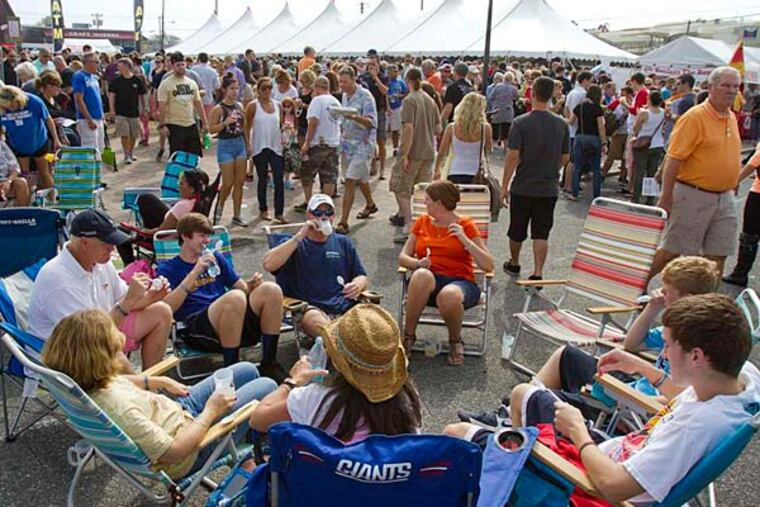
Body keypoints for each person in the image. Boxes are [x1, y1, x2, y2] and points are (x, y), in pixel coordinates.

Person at [446, 293, 760, 506]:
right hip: (610, 454)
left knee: (456, 437)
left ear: (696, 356)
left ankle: (522, 478)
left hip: (588, 485)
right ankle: (517, 472)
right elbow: (689, 396)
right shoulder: (739, 380)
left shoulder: (693, 429)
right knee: (522, 393)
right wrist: (642, 368)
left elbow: (613, 486)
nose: (663, 355)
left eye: (667, 347)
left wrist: (578, 433)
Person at [458, 256, 720, 428]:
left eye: (667, 292)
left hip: (629, 406)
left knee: (533, 395)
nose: (661, 294)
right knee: (566, 355)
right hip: (629, 387)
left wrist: (639, 372)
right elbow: (632, 344)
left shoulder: (697, 347)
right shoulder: (678, 326)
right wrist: (653, 308)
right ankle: (507, 413)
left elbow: (679, 398)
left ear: (688, 297)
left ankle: (513, 417)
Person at [42, 309, 277, 480]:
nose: (122, 353)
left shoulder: (81, 383)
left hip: (174, 411)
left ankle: (242, 448)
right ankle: (246, 455)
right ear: (100, 359)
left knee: (245, 370)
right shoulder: (120, 408)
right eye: (116, 352)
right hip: (190, 447)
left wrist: (153, 380)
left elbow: (117, 381)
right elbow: (174, 453)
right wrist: (211, 411)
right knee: (267, 386)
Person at [250, 304, 422, 444]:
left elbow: (258, 419)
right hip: (390, 485)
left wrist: (292, 381)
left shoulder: (317, 399)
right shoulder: (408, 401)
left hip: (327, 485)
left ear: (338, 360)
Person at [28, 209, 172, 370]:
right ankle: (143, 390)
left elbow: (122, 300)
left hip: (99, 332)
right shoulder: (59, 280)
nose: (112, 248)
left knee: (161, 311)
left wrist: (150, 297)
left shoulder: (99, 262)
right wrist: (126, 304)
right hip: (67, 352)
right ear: (84, 242)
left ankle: (148, 386)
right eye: (106, 243)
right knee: (114, 351)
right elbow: (89, 338)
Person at [157, 213, 286, 379]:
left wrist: (252, 285)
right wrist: (195, 272)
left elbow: (242, 289)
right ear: (185, 236)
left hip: (231, 318)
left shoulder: (216, 258)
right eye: (201, 236)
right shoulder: (169, 268)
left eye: (208, 236)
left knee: (271, 289)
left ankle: (269, 363)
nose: (207, 241)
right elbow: (166, 307)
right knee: (234, 298)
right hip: (197, 328)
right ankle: (232, 371)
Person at [649, 67, 742, 282]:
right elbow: (674, 158)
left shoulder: (731, 117)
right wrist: (666, 196)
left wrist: (731, 180)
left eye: (735, 87)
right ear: (710, 87)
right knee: (673, 250)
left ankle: (703, 306)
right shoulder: (695, 117)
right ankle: (635, 287)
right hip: (693, 193)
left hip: (724, 196)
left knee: (718, 254)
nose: (731, 91)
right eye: (725, 85)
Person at [399, 181, 494, 366]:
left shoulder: (465, 225)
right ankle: (408, 336)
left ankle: (455, 340)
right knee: (420, 275)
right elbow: (403, 257)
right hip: (427, 285)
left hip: (461, 284)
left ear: (439, 203)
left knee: (449, 295)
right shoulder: (422, 222)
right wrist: (417, 263)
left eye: (427, 200)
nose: (424, 203)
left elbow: (488, 265)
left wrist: (465, 239)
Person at [263, 194, 369, 339]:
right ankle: (341, 348)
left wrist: (357, 285)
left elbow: (361, 275)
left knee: (378, 326)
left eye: (328, 213)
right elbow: (268, 264)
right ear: (309, 215)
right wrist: (301, 235)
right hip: (310, 309)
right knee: (326, 330)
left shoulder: (343, 242)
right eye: (318, 213)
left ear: (334, 216)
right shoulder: (293, 243)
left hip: (345, 305)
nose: (324, 217)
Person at [501, 76, 570, 282]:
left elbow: (513, 155)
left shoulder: (521, 123)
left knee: (517, 228)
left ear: (532, 94)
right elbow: (565, 157)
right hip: (548, 186)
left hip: (523, 184)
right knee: (542, 231)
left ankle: (514, 262)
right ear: (552, 95)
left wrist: (504, 185)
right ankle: (538, 271)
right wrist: (552, 168)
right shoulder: (561, 124)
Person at [390, 68, 442, 243]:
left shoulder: (410, 100)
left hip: (413, 152)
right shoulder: (429, 100)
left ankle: (409, 224)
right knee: (420, 191)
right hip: (428, 151)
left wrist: (404, 153)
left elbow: (408, 128)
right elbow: (438, 129)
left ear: (408, 80)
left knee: (400, 188)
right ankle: (420, 225)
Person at [117, 169, 210, 265]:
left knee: (121, 231)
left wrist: (141, 231)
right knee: (146, 199)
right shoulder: (200, 203)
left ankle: (130, 266)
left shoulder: (183, 206)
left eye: (181, 184)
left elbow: (161, 233)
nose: (178, 186)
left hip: (163, 240)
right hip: (178, 236)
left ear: (192, 189)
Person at [335, 65, 379, 235]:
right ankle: (370, 204)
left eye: (345, 82)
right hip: (347, 143)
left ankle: (344, 221)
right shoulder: (345, 95)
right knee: (361, 177)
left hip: (363, 143)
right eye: (340, 82)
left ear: (354, 80)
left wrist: (353, 116)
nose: (342, 85)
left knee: (350, 179)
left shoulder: (365, 97)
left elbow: (371, 122)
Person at [0, 85, 60, 191]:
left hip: (39, 141)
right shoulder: (3, 108)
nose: (11, 109)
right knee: (24, 174)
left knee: (44, 172)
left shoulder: (33, 101)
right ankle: (27, 200)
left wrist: (56, 139)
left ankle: (53, 199)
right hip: (18, 144)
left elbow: (48, 119)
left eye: (12, 106)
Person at [245, 77, 286, 224]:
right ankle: (263, 209)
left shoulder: (278, 106)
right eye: (264, 88)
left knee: (279, 180)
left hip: (276, 146)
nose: (267, 91)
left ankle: (279, 212)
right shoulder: (252, 106)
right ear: (258, 90)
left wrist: (286, 132)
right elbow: (247, 126)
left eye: (270, 87)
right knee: (262, 179)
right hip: (259, 146)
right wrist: (248, 144)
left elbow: (281, 125)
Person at [209, 74, 248, 227]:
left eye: (237, 88)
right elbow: (211, 130)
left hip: (239, 144)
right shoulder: (218, 109)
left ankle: (237, 215)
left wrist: (248, 145)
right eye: (232, 88)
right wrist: (224, 123)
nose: (235, 91)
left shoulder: (239, 106)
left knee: (239, 182)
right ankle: (219, 208)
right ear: (224, 90)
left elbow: (244, 127)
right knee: (228, 183)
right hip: (225, 145)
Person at [434, 92, 492, 185]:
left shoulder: (451, 128)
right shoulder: (486, 128)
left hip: (455, 171)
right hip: (476, 173)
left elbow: (441, 152)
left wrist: (437, 169)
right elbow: (489, 149)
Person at [300, 76, 341, 206]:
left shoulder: (317, 101)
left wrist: (307, 143)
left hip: (318, 142)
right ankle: (325, 202)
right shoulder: (335, 101)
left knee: (307, 173)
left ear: (317, 88)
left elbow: (313, 122)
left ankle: (308, 201)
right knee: (329, 175)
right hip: (333, 142)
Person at [723, 142, 760, 286]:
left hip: (758, 195)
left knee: (750, 235)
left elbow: (753, 163)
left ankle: (740, 273)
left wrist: (734, 181)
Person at [158, 52, 208, 157]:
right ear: (172, 66)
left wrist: (205, 123)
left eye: (182, 64)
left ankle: (191, 174)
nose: (181, 67)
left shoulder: (192, 83)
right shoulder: (166, 84)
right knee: (178, 158)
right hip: (175, 125)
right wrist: (162, 125)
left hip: (191, 123)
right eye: (178, 65)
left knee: (194, 156)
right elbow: (162, 106)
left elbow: (198, 104)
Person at [570, 84, 607, 201]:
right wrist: (604, 142)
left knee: (577, 166)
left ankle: (574, 193)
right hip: (594, 138)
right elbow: (601, 127)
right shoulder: (598, 109)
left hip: (580, 136)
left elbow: (571, 122)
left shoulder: (579, 107)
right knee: (596, 168)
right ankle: (596, 195)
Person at [108, 58, 148, 165]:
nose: (118, 68)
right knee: (124, 134)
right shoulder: (116, 81)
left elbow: (143, 95)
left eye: (120, 65)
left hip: (134, 112)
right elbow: (111, 95)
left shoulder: (137, 80)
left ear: (126, 66)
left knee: (133, 134)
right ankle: (126, 155)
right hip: (120, 112)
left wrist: (145, 108)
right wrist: (111, 109)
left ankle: (131, 152)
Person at [631, 91, 666, 205]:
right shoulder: (664, 113)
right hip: (658, 144)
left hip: (643, 144)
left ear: (649, 99)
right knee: (652, 172)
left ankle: (636, 198)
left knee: (639, 172)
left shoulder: (644, 113)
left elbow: (635, 128)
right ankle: (650, 199)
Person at [561, 70, 592, 195]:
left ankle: (567, 183)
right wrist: (574, 121)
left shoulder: (572, 92)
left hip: (570, 129)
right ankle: (569, 185)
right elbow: (578, 112)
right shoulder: (583, 94)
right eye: (589, 81)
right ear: (584, 80)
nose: (590, 83)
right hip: (578, 129)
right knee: (574, 160)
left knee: (570, 159)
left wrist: (569, 120)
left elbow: (566, 109)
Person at [359, 58, 389, 179]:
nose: (371, 67)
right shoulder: (363, 77)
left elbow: (384, 91)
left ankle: (382, 168)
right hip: (368, 112)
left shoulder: (384, 77)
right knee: (369, 140)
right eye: (369, 64)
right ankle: (373, 165)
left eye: (373, 64)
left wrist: (376, 78)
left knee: (381, 141)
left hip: (380, 111)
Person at [72, 52, 106, 153]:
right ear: (87, 63)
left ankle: (98, 168)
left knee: (100, 147)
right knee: (91, 148)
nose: (98, 64)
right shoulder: (79, 76)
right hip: (87, 119)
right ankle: (90, 169)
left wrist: (102, 116)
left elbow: (97, 98)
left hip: (98, 117)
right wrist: (89, 119)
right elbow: (79, 99)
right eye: (96, 62)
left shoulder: (94, 77)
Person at [601, 86, 632, 184]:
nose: (621, 96)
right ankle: (603, 175)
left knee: (625, 157)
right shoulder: (617, 102)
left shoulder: (633, 103)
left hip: (628, 133)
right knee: (612, 155)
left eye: (624, 94)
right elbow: (607, 110)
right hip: (618, 132)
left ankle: (622, 177)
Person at [488, 72, 519, 149]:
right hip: (508, 109)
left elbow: (491, 96)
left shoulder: (497, 87)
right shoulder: (513, 88)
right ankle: (505, 147)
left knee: (494, 126)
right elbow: (516, 97)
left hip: (497, 109)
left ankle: (491, 145)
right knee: (506, 128)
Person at [387, 64, 408, 159]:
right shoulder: (386, 82)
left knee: (396, 129)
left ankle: (396, 148)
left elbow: (406, 92)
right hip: (386, 108)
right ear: (389, 72)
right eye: (394, 71)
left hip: (397, 107)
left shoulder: (400, 82)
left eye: (397, 71)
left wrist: (400, 96)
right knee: (386, 130)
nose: (396, 73)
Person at [0, 137, 30, 205]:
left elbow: (15, 168)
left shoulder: (2, 145)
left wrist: (8, 182)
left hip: (4, 181)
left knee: (21, 183)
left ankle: (22, 214)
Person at [191, 52, 221, 120]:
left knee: (196, 121)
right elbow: (217, 86)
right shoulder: (213, 71)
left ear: (198, 59)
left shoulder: (193, 69)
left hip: (195, 99)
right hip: (208, 99)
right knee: (207, 121)